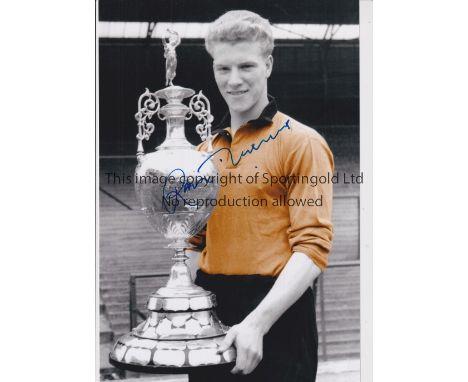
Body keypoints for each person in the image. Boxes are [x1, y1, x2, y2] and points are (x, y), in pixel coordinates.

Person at [188, 10, 334, 382]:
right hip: (212, 312)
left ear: (268, 64)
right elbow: (192, 241)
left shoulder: (302, 143)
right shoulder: (202, 152)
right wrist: (188, 309)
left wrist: (257, 323)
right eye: (223, 69)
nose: (233, 80)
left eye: (246, 66)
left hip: (278, 316)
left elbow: (313, 247)